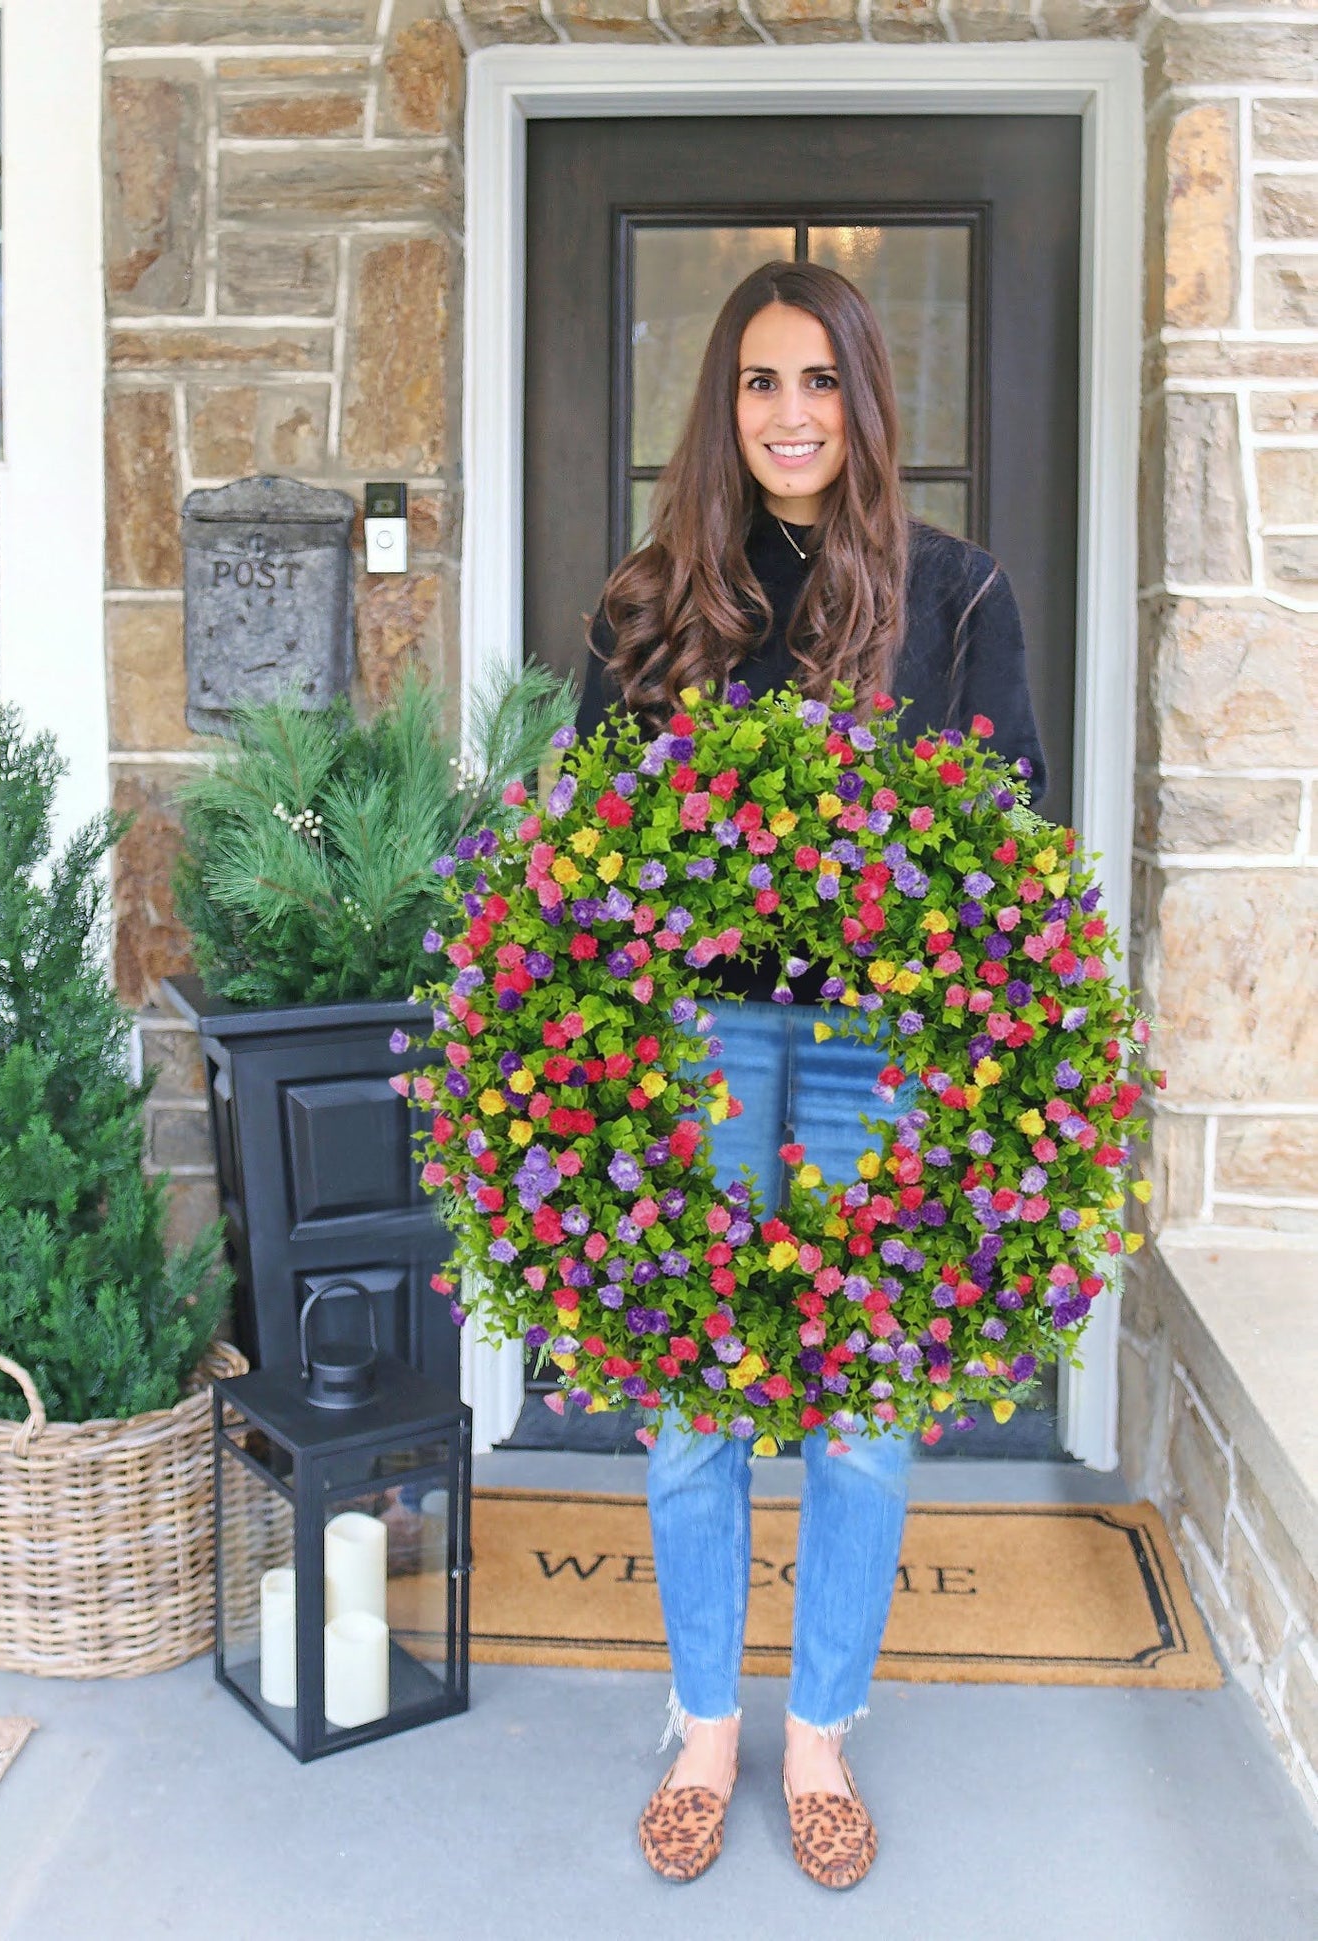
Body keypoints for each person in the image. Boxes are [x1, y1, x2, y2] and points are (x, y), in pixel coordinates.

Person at [572, 260, 1048, 1889]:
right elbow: (585, 852)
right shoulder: (647, 602)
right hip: (697, 1043)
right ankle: (707, 1725)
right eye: (760, 384)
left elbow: (1018, 838)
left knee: (858, 1403)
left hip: (872, 1050)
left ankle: (821, 1731)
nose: (789, 416)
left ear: (863, 400)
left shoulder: (954, 594)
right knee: (697, 1400)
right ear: (723, 406)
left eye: (820, 382)